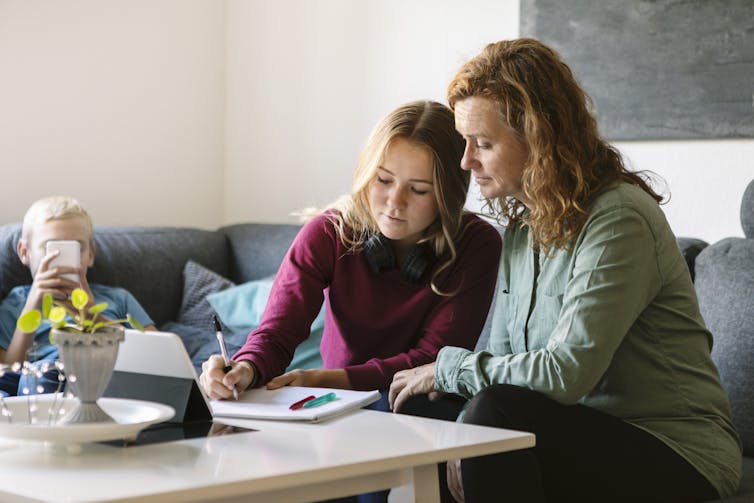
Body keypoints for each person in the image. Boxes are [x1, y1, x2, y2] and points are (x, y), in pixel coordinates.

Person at [388, 39, 742, 502]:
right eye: (464, 142)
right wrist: (462, 427)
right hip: (575, 430)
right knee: (420, 405)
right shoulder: (521, 229)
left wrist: (454, 376)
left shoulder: (617, 219)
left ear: (539, 137)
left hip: (674, 450)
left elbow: (566, 373)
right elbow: (503, 363)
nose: (465, 161)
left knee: (492, 411)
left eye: (484, 144)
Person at [200, 100, 501, 404]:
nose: (395, 201)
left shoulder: (477, 244)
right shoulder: (329, 232)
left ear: (448, 196)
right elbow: (278, 331)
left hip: (418, 399)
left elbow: (435, 359)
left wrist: (327, 379)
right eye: (383, 180)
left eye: (419, 189)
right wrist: (245, 367)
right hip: (336, 398)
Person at [0, 196, 156, 396]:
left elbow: (158, 357)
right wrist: (33, 302)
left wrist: (92, 316)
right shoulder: (16, 303)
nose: (62, 259)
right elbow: (8, 368)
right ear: (24, 252)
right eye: (51, 248)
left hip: (103, 376)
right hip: (41, 380)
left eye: (75, 248)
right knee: (34, 376)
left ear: (90, 254)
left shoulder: (117, 298)